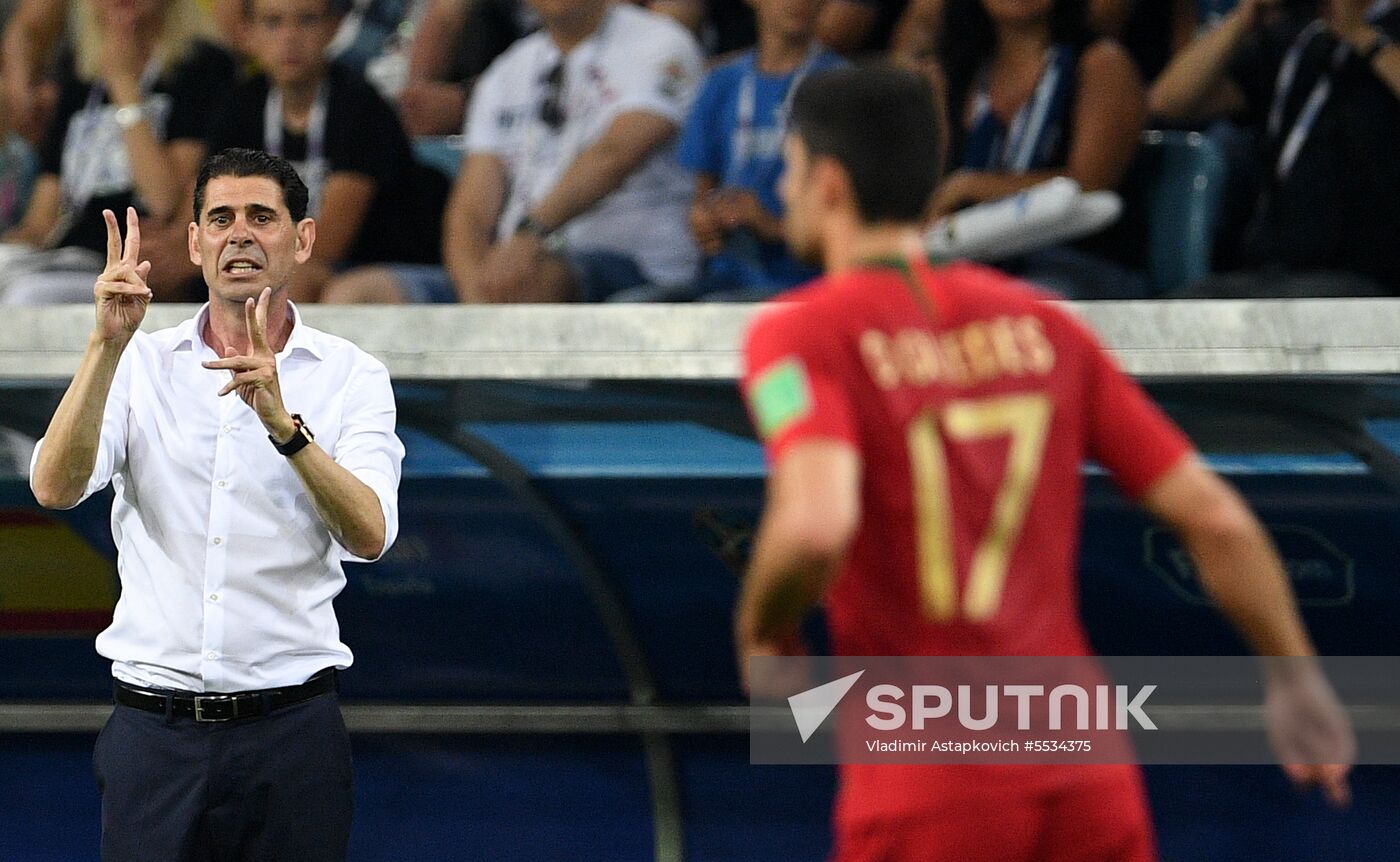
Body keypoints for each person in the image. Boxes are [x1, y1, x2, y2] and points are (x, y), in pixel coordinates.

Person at [735, 66, 1353, 862]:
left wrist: (762, 628)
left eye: (787, 169)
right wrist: (1294, 677)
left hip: (930, 784)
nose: (781, 191)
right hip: (1085, 772)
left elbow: (817, 522)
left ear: (827, 182)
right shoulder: (1041, 327)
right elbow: (1214, 516)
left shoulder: (799, 334)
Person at [29, 148, 404, 861]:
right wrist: (104, 346)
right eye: (220, 218)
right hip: (154, 734)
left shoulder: (353, 376)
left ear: (302, 239)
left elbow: (370, 534)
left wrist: (284, 428)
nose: (240, 234)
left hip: (291, 732)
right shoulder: (138, 363)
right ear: (194, 242)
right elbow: (55, 486)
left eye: (262, 217)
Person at [322, 0, 703, 304]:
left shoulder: (661, 43)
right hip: (514, 268)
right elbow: (470, 208)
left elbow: (616, 155)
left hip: (634, 264)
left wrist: (530, 234)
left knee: (531, 279)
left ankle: (503, 402)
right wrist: (472, 286)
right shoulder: (509, 69)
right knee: (354, 295)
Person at [1148, 0, 1400, 296]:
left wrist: (1361, 36)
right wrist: (1244, 16)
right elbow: (1169, 101)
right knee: (1182, 314)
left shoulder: (1388, 31)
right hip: (1274, 270)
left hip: (1370, 275)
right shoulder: (1303, 39)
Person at [208, 0, 446, 302]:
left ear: (333, 27)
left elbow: (328, 243)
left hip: (370, 266)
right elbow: (208, 208)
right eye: (273, 22)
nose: (289, 36)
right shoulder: (240, 105)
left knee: (291, 280)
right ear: (248, 32)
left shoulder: (362, 107)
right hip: (278, 257)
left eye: (306, 20)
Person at [0, 0, 236, 303]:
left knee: (28, 297)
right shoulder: (79, 74)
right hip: (66, 254)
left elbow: (164, 201)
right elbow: (41, 218)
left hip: (136, 257)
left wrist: (123, 83)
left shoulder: (201, 66)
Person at [928, 0, 1149, 299]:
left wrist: (972, 186)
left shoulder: (1101, 63)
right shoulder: (953, 72)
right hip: (972, 257)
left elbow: (1091, 185)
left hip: (1079, 261)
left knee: (1014, 303)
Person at [677, 0, 845, 300]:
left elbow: (855, 227)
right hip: (726, 273)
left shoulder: (842, 85)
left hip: (805, 281)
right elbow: (700, 196)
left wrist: (772, 226)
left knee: (717, 309)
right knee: (636, 305)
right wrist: (706, 220)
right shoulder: (721, 82)